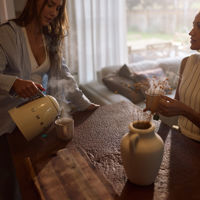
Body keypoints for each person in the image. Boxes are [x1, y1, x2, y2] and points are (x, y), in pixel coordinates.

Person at [0, 0, 99, 199]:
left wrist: (85, 104)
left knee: (37, 178)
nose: (54, 12)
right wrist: (13, 83)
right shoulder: (8, 33)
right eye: (50, 5)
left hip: (37, 121)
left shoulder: (50, 37)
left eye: (58, 8)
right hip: (8, 127)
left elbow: (64, 75)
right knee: (10, 184)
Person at [146, 12, 200, 142]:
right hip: (180, 140)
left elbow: (182, 109)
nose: (191, 32)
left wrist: (186, 111)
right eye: (193, 25)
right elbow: (176, 107)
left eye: (199, 26)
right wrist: (160, 108)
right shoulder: (187, 62)